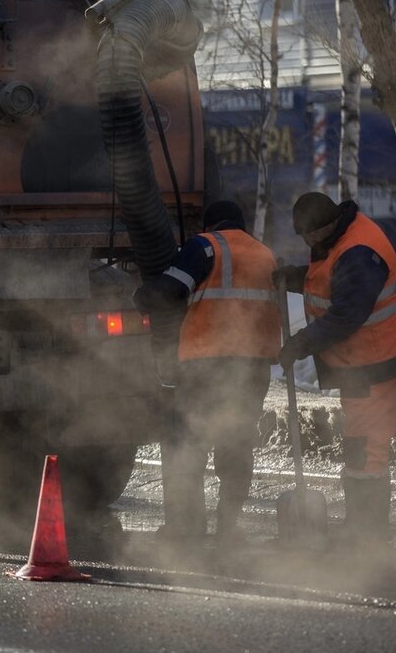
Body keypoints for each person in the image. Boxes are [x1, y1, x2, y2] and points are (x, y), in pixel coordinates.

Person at [134, 200, 281, 543]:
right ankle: (229, 526)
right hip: (253, 367)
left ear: (210, 224)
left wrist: (142, 296)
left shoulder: (205, 247)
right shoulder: (265, 254)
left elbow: (170, 291)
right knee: (236, 441)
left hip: (207, 365)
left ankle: (185, 529)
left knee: (188, 441)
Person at [276, 192, 396, 547]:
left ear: (325, 227)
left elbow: (346, 314)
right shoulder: (341, 241)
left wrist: (300, 344)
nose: (305, 242)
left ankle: (367, 535)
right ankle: (361, 530)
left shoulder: (359, 252)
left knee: (367, 449)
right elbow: (330, 279)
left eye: (307, 236)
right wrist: (296, 278)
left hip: (375, 365)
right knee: (360, 445)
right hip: (362, 365)